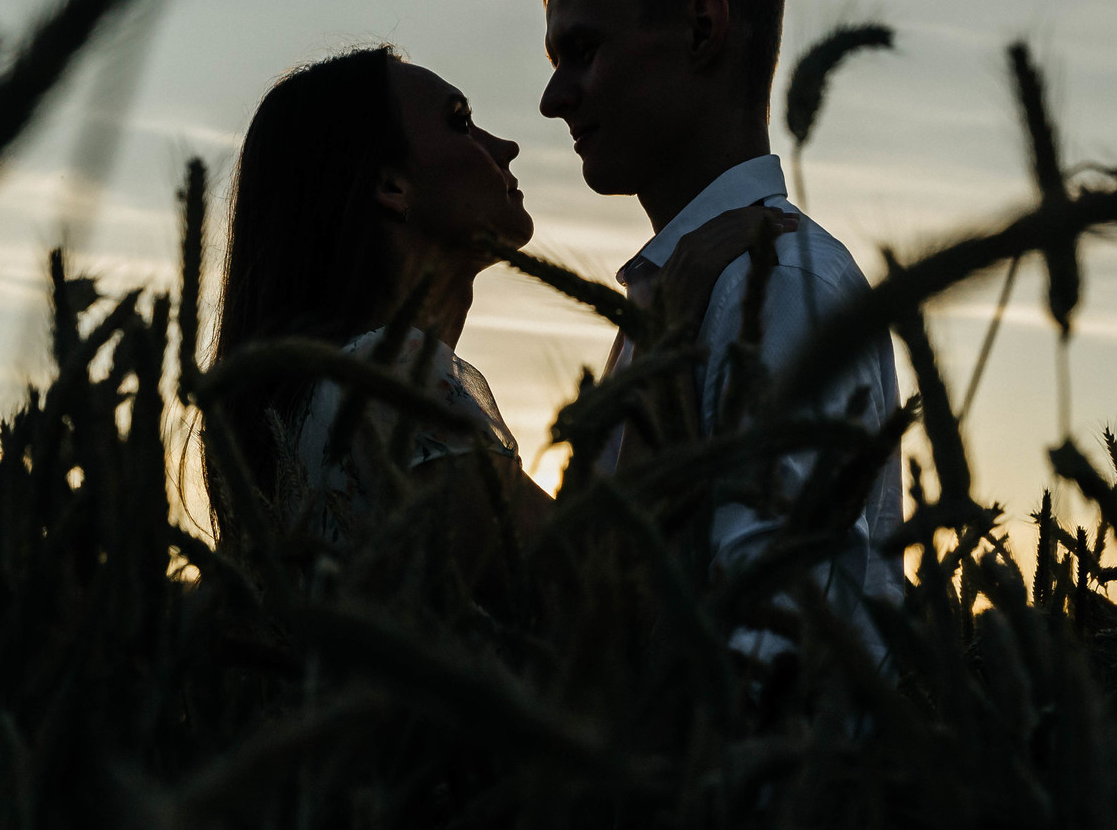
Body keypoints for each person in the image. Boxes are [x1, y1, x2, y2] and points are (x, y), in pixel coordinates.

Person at [205, 44, 790, 592]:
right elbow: (599, 592)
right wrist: (667, 335)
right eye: (460, 122)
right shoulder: (390, 384)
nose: (504, 145)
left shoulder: (334, 391)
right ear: (389, 184)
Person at [540, 0, 907, 664]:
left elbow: (772, 652)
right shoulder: (688, 289)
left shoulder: (771, 286)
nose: (553, 98)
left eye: (582, 50)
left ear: (702, 29)